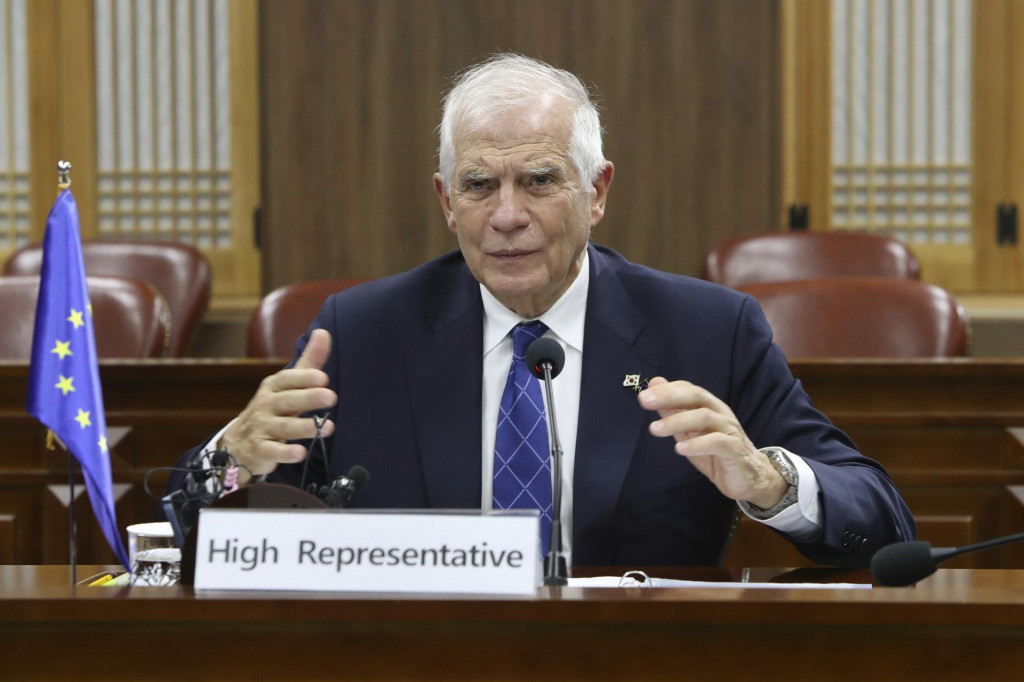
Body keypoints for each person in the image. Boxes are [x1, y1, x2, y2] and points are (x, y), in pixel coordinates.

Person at [169, 53, 914, 568]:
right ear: (444, 203)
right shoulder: (363, 335)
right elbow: (185, 536)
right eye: (479, 186)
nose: (507, 215)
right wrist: (227, 462)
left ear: (596, 192)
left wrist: (771, 481)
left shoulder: (707, 331)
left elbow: (880, 520)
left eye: (538, 180)